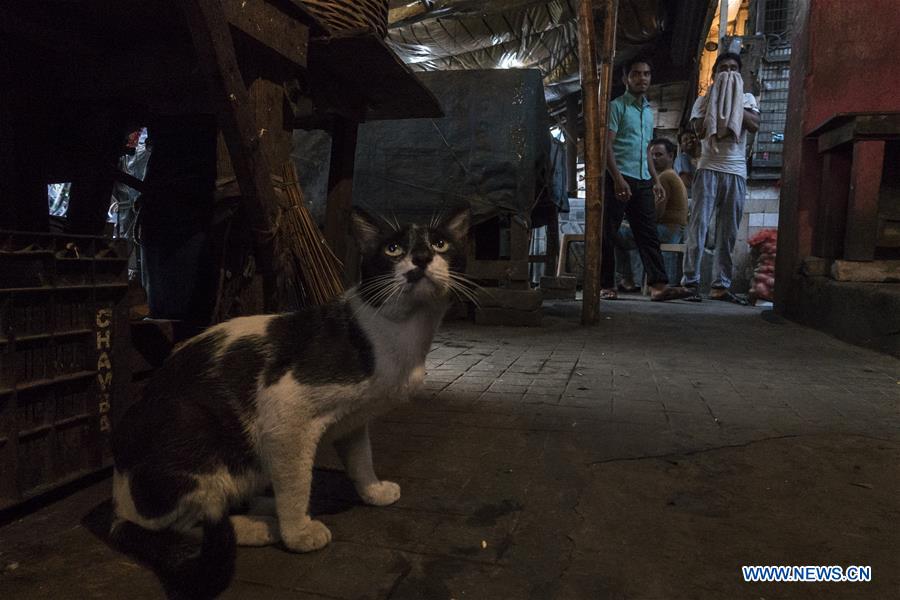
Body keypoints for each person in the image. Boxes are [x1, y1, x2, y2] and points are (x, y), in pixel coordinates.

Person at [600, 58, 692, 302]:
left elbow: (646, 151)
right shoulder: (616, 107)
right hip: (618, 178)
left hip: (642, 180)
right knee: (608, 233)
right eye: (636, 74)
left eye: (646, 74)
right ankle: (606, 285)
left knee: (648, 234)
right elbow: (606, 147)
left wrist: (656, 180)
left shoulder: (648, 112)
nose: (642, 78)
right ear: (625, 79)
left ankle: (658, 286)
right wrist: (618, 179)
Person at [682, 52, 759, 304]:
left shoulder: (747, 99)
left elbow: (754, 124)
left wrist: (733, 101)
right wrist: (717, 100)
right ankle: (690, 282)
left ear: (740, 73)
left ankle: (720, 286)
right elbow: (699, 129)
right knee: (699, 227)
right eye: (723, 68)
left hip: (735, 171)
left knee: (728, 233)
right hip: (708, 168)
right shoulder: (703, 100)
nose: (728, 72)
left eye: (733, 68)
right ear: (714, 74)